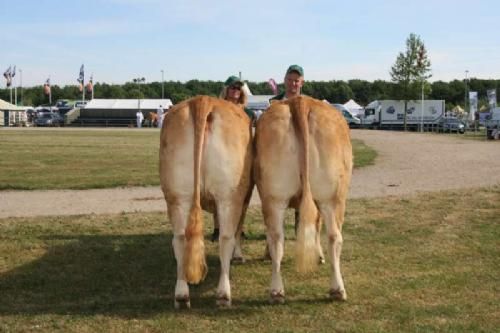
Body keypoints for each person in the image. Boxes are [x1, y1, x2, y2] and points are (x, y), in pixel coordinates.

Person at [210, 75, 253, 242]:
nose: (235, 90)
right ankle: (217, 227)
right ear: (226, 89)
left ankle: (238, 227)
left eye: (238, 88)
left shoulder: (247, 112)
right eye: (232, 87)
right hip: (221, 154)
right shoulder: (216, 108)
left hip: (242, 155)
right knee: (217, 193)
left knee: (243, 195)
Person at [270, 64, 305, 234]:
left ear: (302, 83)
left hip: (301, 155)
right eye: (290, 80)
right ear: (284, 81)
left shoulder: (308, 104)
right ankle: (277, 233)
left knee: (304, 191)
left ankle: (301, 230)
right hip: (280, 156)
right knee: (278, 195)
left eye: (296, 81)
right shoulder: (274, 103)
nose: (293, 84)